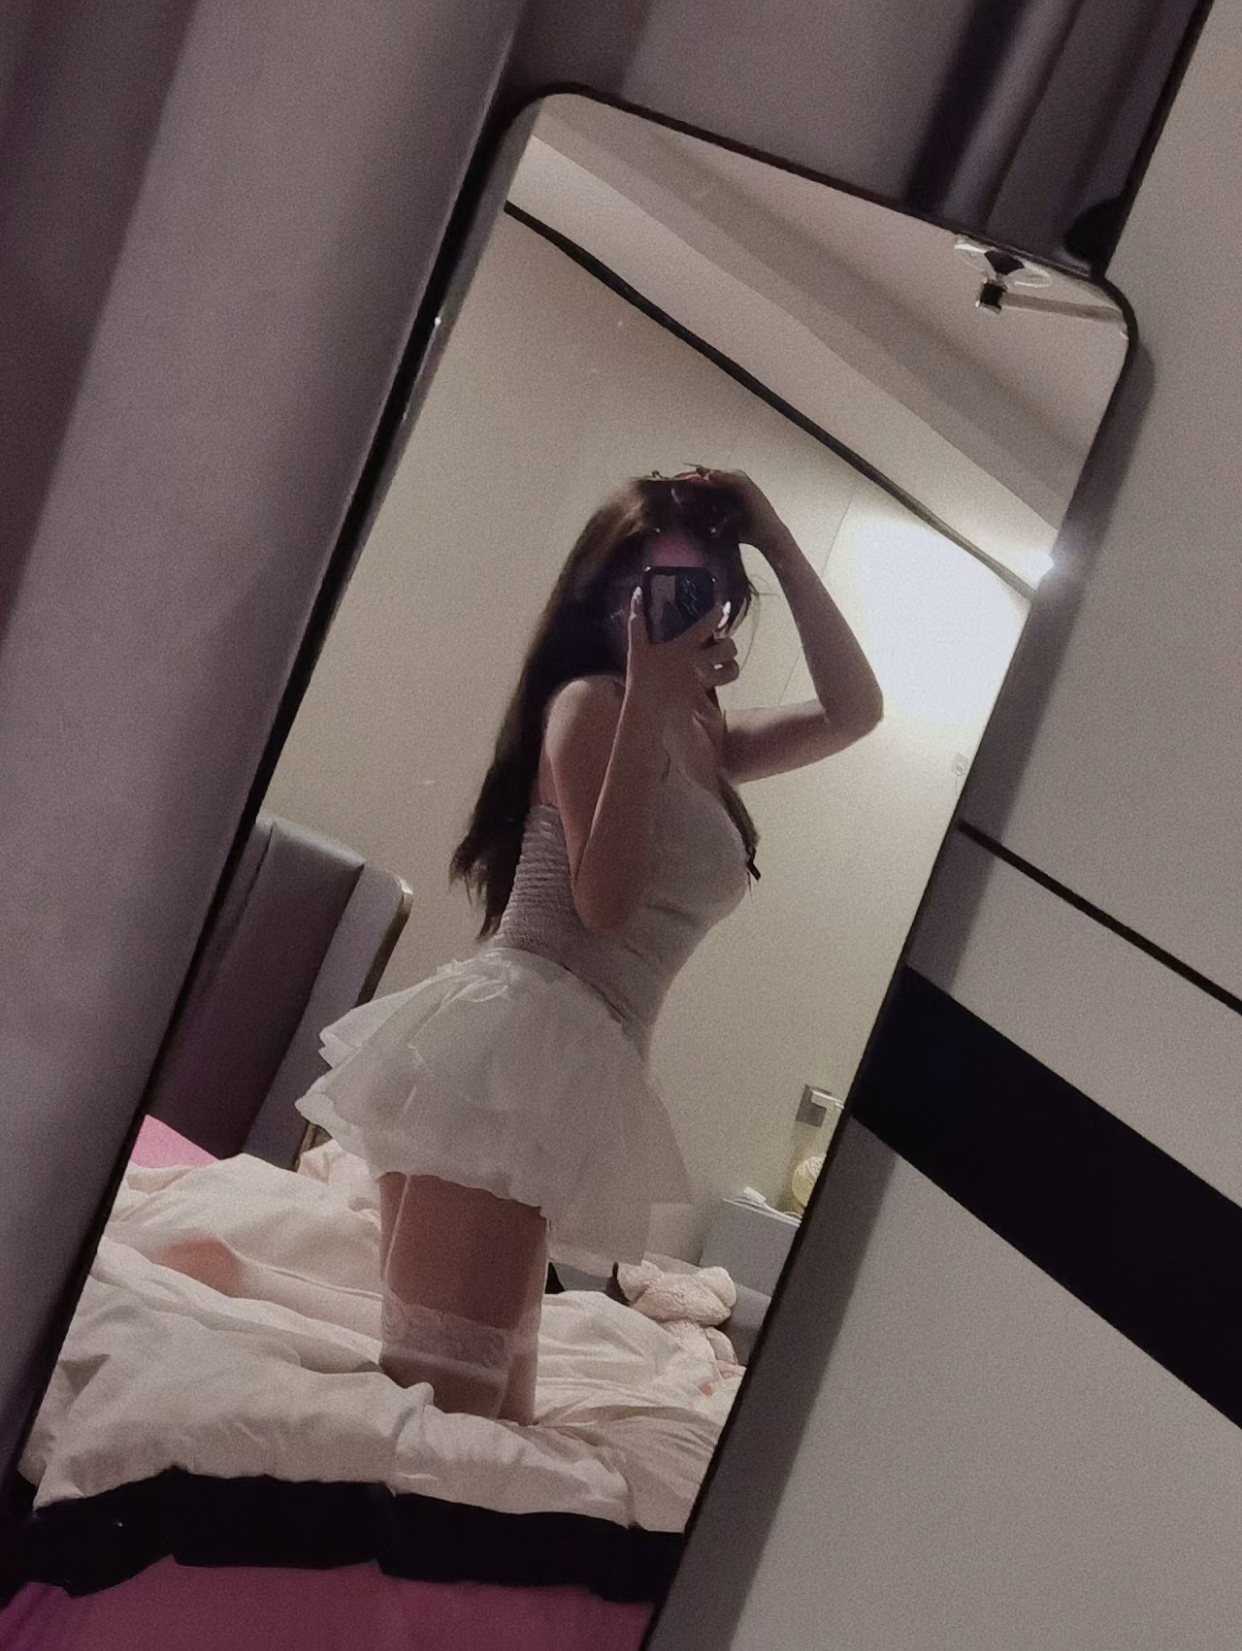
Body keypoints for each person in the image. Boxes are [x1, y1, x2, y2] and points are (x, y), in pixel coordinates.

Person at [296, 468, 883, 1423]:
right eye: (653, 586)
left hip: (565, 1062)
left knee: (487, 1422)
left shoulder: (705, 733)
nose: (675, 608)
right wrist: (648, 695)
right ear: (607, 595)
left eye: (701, 588)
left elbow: (855, 712)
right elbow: (603, 904)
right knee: (444, 1419)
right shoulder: (594, 704)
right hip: (509, 1056)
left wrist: (774, 534)